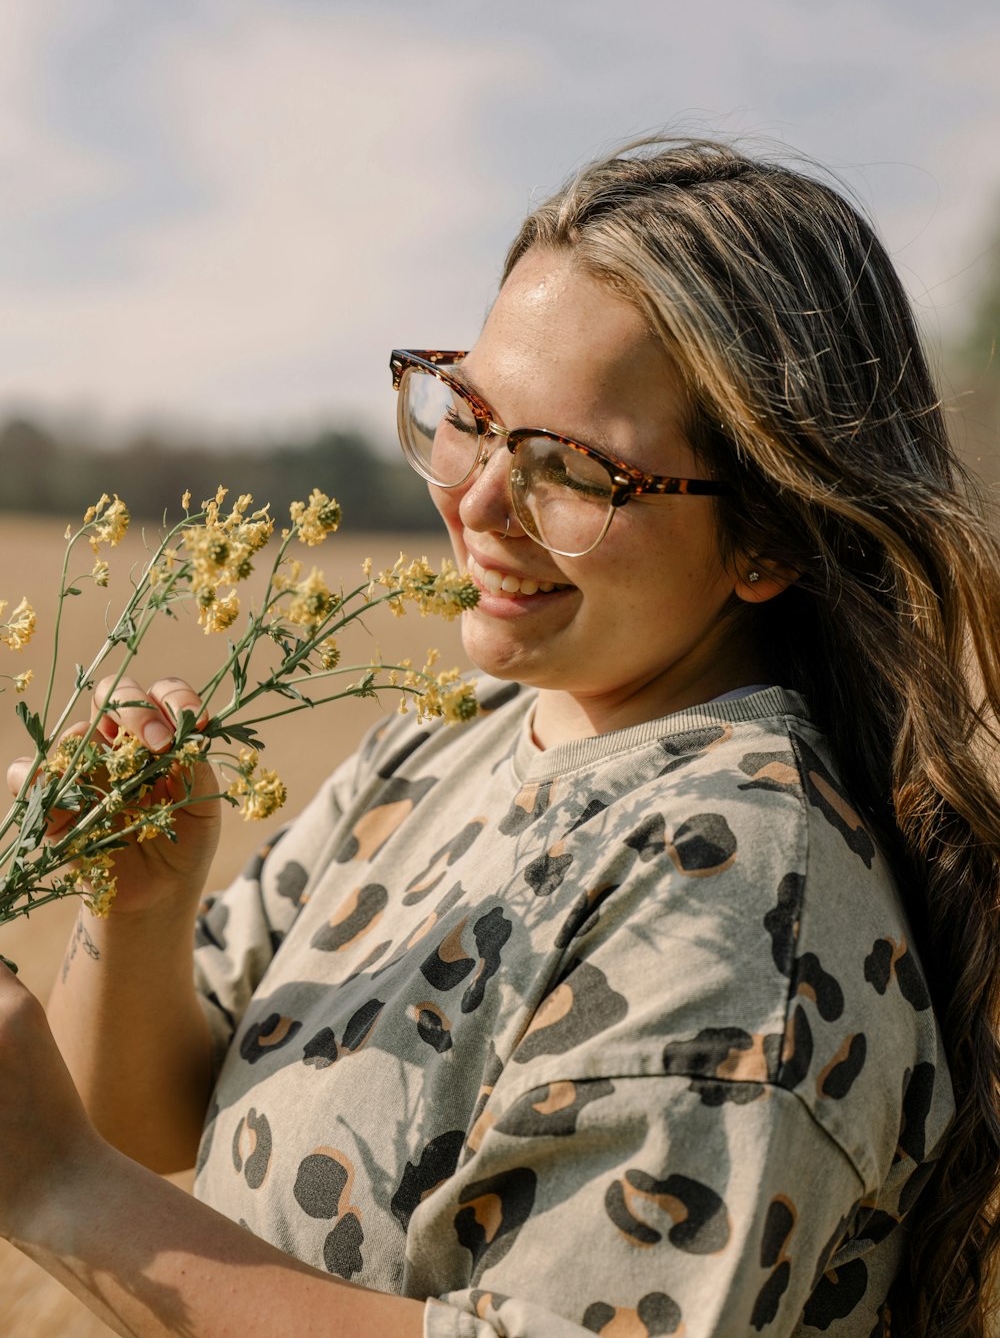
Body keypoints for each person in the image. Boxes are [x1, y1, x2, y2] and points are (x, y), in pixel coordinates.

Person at [2, 138, 999, 1338]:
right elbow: (150, 1116)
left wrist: (59, 1192)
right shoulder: (455, 737)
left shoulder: (744, 898)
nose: (475, 502)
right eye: (470, 415)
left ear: (770, 540)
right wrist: (141, 907)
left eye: (570, 468)